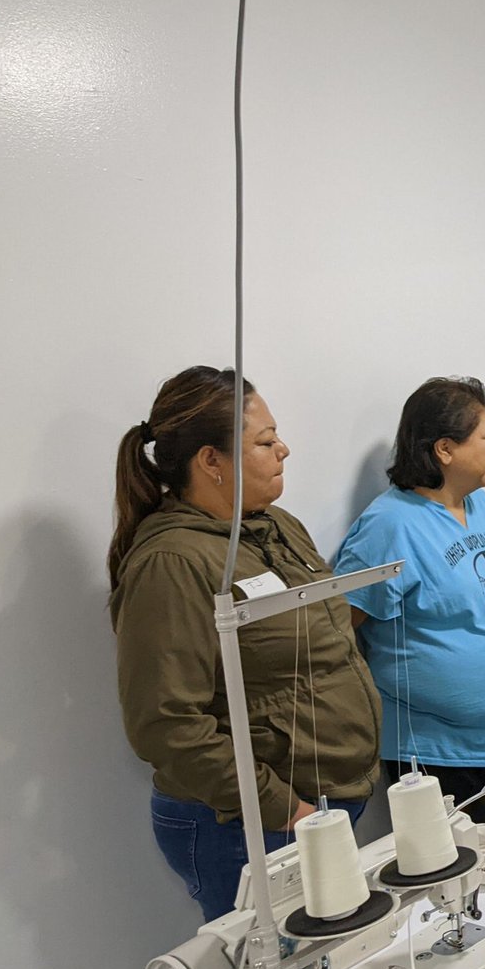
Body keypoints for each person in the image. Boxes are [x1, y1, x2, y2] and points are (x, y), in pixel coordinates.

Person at [109, 367, 381, 922]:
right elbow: (165, 723)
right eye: (264, 441)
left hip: (319, 806)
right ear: (212, 461)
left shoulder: (278, 527)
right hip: (250, 823)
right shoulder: (174, 562)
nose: (284, 449)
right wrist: (285, 808)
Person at [335, 377, 485, 823]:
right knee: (463, 887)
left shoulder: (483, 507)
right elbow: (335, 631)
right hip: (446, 757)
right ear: (444, 449)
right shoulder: (389, 526)